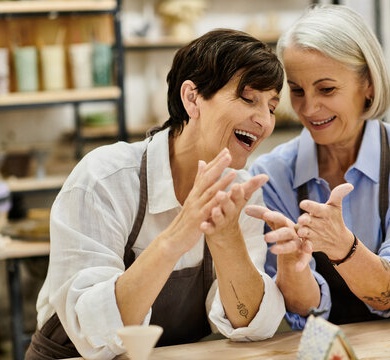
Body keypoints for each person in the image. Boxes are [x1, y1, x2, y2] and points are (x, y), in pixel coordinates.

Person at [26, 29, 286, 359]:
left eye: (272, 107)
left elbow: (249, 325)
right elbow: (90, 330)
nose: (263, 120)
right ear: (192, 98)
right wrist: (177, 236)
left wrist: (227, 239)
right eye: (249, 99)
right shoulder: (105, 179)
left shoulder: (240, 192)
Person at [247, 4, 390, 329]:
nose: (309, 108)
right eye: (297, 90)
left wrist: (342, 246)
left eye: (327, 89)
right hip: (326, 339)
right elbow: (303, 311)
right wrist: (290, 263)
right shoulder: (272, 175)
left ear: (368, 84)